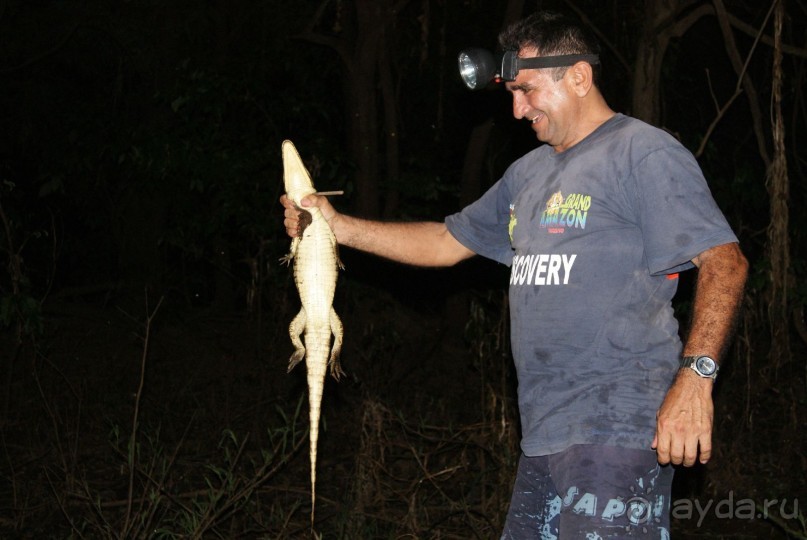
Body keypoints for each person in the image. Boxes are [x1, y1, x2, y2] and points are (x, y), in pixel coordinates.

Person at [281, 10, 748, 539]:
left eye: (525, 90)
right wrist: (336, 227)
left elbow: (724, 261)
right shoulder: (526, 175)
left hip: (618, 427)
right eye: (510, 93)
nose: (516, 109)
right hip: (542, 440)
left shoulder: (642, 151)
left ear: (578, 76)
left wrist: (696, 377)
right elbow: (445, 242)